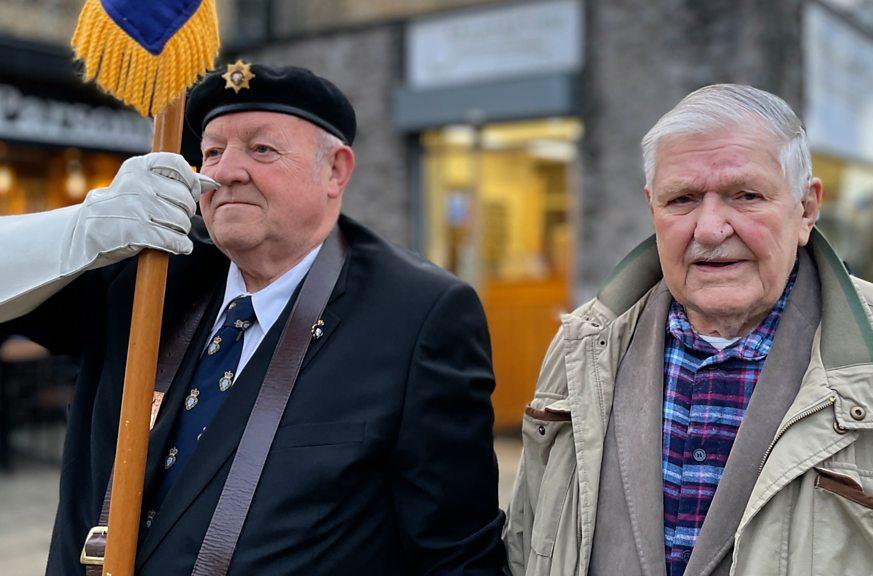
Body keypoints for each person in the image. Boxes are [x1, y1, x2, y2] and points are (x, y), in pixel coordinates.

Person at [2, 62, 506, 575]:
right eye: (213, 152)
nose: (224, 172)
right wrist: (81, 231)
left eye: (262, 150)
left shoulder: (416, 313)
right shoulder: (147, 272)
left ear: (335, 170)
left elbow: (457, 555)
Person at [503, 84, 873, 576]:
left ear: (807, 209)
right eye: (681, 199)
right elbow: (529, 545)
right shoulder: (581, 350)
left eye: (745, 195)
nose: (709, 228)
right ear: (652, 209)